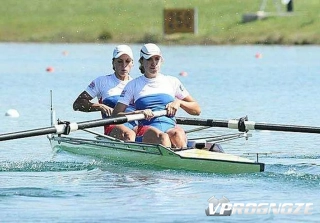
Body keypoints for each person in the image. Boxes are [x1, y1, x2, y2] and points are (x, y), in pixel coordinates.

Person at [112, 43, 201, 149]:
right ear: (142, 62)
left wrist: (179, 102)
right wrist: (138, 112)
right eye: (149, 59)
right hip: (146, 130)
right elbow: (115, 116)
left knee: (178, 134)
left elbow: (197, 110)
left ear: (161, 61)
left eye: (157, 59)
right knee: (162, 137)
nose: (153, 63)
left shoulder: (172, 81)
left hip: (170, 128)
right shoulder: (133, 85)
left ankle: (184, 161)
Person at [73, 44, 136, 141]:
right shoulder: (102, 82)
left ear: (132, 63)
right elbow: (78, 104)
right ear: (113, 63)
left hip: (135, 126)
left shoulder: (137, 84)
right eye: (119, 61)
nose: (124, 65)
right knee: (128, 134)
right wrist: (100, 106)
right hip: (112, 126)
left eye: (127, 61)